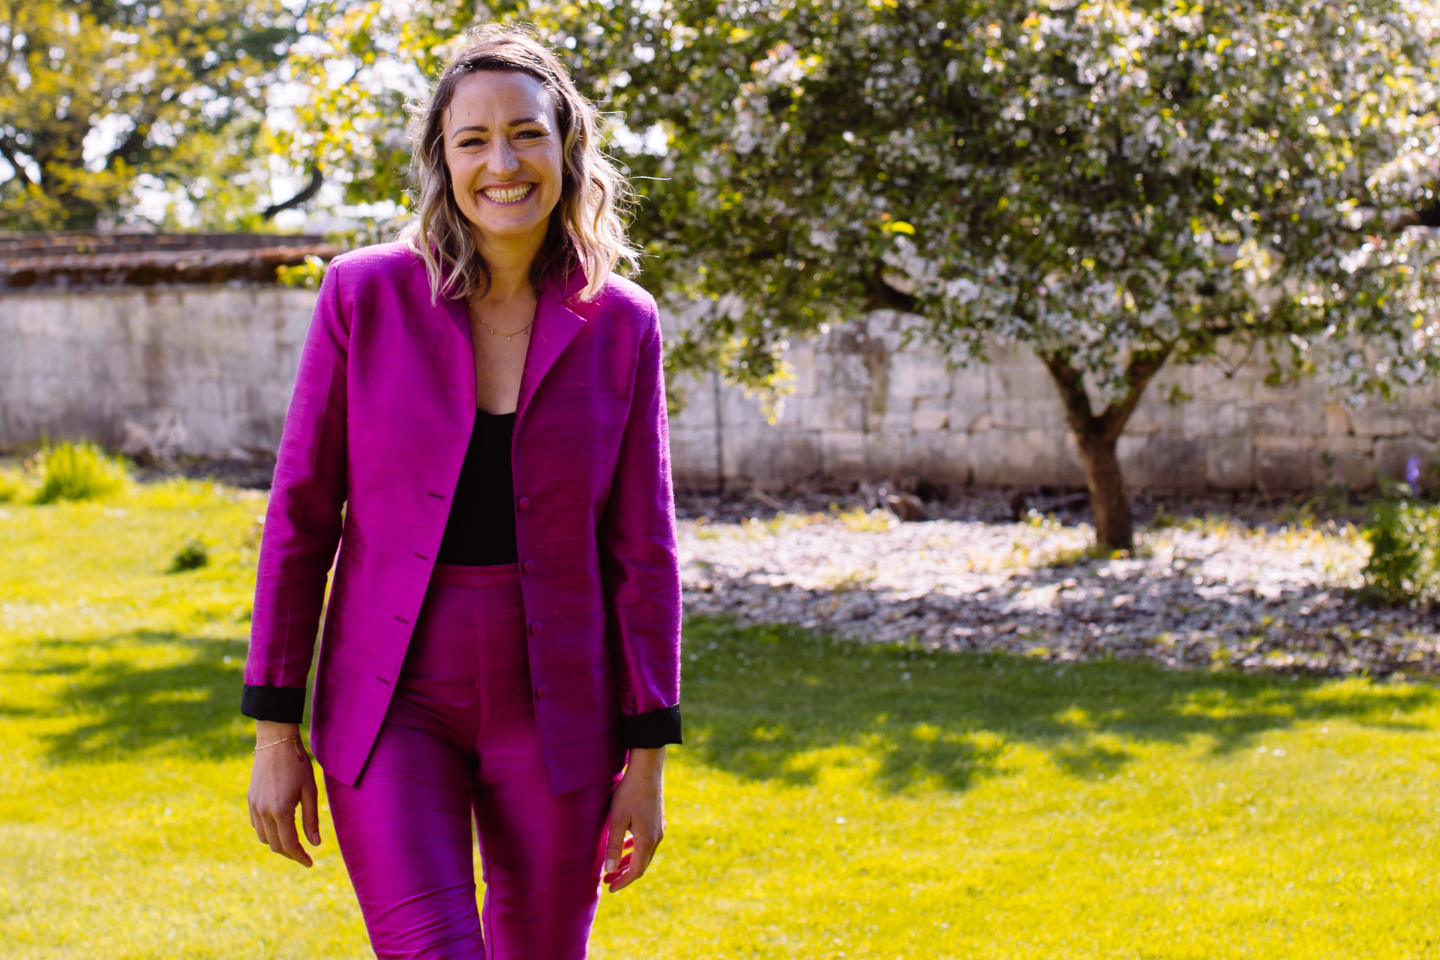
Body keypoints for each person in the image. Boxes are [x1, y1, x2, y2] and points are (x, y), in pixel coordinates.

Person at [241, 25, 682, 960]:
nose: (503, 163)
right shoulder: (363, 295)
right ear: (442, 158)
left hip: (562, 709)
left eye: (526, 133)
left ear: (567, 145)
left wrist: (646, 761)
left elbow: (642, 548)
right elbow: (300, 520)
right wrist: (276, 734)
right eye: (473, 139)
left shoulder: (622, 323)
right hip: (392, 702)